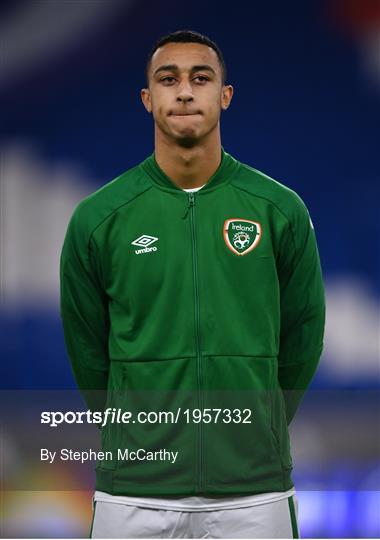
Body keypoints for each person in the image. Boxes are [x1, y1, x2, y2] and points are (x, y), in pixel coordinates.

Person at [60, 30, 326, 539]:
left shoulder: (280, 211)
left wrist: (257, 426)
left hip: (254, 492)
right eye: (168, 79)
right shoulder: (98, 219)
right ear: (147, 99)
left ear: (225, 96)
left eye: (200, 78)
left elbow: (303, 338)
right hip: (133, 492)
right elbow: (87, 349)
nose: (184, 91)